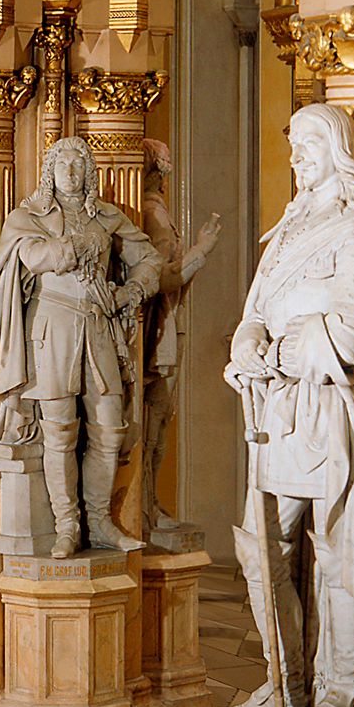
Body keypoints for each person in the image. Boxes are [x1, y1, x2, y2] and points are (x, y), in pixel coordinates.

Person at [219, 102, 354, 707]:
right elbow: (260, 310)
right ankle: (286, 681)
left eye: (306, 144)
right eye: (292, 144)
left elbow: (345, 339)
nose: (296, 156)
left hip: (333, 410)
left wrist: (278, 346)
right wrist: (249, 341)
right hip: (278, 410)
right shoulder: (291, 232)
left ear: (336, 149)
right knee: (260, 547)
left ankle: (342, 691)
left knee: (338, 553)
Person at [0, 136, 161, 558]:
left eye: (79, 162)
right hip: (52, 330)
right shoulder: (30, 216)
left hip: (98, 329)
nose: (71, 170)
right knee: (59, 432)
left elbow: (150, 259)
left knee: (108, 428)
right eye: (62, 162)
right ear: (49, 170)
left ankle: (99, 521)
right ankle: (67, 526)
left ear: (89, 171)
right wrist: (71, 247)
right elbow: (28, 256)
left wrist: (130, 290)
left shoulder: (108, 217)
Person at [140, 138, 221, 531]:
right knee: (153, 420)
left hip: (169, 322)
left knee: (160, 420)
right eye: (163, 168)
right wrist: (202, 250)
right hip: (161, 327)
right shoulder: (151, 210)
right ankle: (145, 507)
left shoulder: (156, 209)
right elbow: (161, 277)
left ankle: (149, 504)